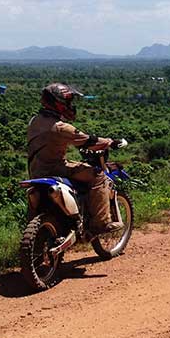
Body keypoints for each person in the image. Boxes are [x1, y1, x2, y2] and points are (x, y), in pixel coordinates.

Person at [27, 82, 122, 234]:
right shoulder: (60, 127)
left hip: (35, 171)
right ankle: (101, 223)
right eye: (68, 101)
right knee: (98, 175)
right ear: (59, 103)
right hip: (55, 168)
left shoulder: (34, 121)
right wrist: (110, 142)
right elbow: (89, 141)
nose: (70, 105)